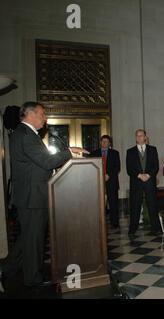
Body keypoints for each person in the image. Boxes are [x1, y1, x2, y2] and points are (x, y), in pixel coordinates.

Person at [0, 102, 86, 290]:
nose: (45, 118)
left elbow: (36, 164)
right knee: (34, 239)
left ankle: (7, 268)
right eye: (42, 114)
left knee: (28, 238)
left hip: (31, 195)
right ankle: (32, 278)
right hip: (32, 197)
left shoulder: (24, 133)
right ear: (31, 114)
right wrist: (70, 151)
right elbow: (46, 161)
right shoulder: (26, 134)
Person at [126, 129, 161, 239]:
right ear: (135, 138)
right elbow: (129, 169)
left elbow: (156, 166)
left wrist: (148, 175)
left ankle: (156, 228)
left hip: (149, 181)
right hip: (136, 182)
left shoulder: (153, 149)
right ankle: (132, 229)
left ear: (145, 137)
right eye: (137, 136)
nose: (139, 137)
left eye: (141, 135)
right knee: (135, 205)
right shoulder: (130, 151)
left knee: (152, 204)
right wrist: (139, 175)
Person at [91, 135, 121, 229]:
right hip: (98, 182)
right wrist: (100, 175)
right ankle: (98, 223)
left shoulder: (115, 153)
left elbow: (117, 167)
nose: (104, 143)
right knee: (98, 203)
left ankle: (114, 222)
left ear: (109, 143)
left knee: (113, 202)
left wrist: (109, 175)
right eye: (103, 141)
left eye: (106, 141)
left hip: (111, 181)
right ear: (100, 142)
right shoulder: (94, 153)